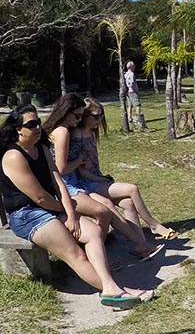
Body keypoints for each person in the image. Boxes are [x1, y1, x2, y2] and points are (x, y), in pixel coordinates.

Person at [0, 106, 153, 309]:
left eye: (38, 122)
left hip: (50, 208)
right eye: (31, 124)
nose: (38, 127)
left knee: (93, 231)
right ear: (18, 130)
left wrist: (71, 214)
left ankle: (111, 287)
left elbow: (58, 181)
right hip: (27, 215)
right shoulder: (14, 157)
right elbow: (40, 198)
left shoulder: (40, 148)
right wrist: (67, 213)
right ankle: (115, 289)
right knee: (74, 252)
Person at [44, 94, 163, 261]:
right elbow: (61, 168)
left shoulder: (65, 129)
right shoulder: (63, 131)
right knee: (105, 208)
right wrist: (79, 161)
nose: (79, 120)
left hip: (74, 182)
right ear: (66, 112)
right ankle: (111, 249)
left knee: (113, 204)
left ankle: (138, 245)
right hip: (65, 186)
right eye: (77, 116)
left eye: (81, 116)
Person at [76, 97, 181, 240]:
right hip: (87, 183)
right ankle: (154, 225)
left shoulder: (90, 133)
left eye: (101, 116)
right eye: (95, 116)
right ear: (84, 116)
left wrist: (101, 177)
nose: (99, 120)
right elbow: (80, 170)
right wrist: (100, 179)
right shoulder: (77, 136)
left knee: (128, 203)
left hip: (97, 180)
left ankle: (140, 243)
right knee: (132, 189)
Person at [124, 60, 146, 131]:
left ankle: (129, 118)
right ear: (131, 67)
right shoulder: (131, 74)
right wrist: (133, 90)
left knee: (129, 105)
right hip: (132, 92)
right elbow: (131, 83)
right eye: (133, 66)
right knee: (137, 105)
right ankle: (138, 119)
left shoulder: (126, 74)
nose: (135, 67)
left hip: (128, 92)